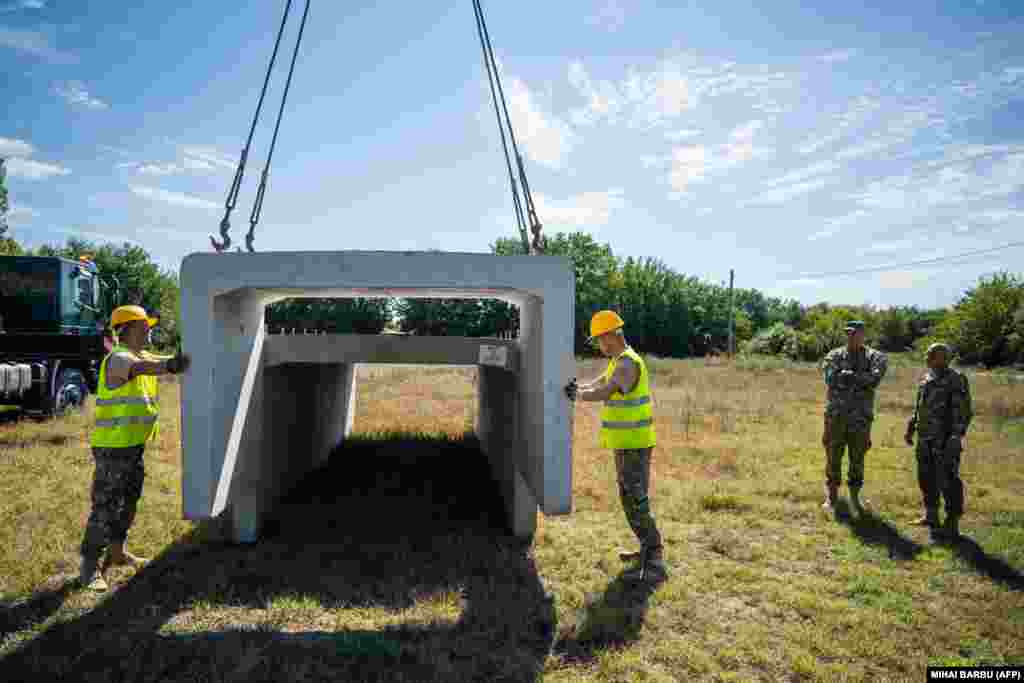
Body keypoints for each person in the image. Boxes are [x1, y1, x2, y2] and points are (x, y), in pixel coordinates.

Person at [77, 305, 190, 591]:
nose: (149, 329)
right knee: (105, 506)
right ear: (128, 328)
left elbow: (159, 360)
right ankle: (90, 568)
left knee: (128, 501)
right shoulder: (118, 359)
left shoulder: (140, 355)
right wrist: (170, 366)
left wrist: (183, 357)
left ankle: (117, 553)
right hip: (113, 448)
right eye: (145, 325)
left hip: (133, 446)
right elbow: (141, 367)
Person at [564, 310, 668, 583]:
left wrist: (578, 395)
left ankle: (655, 556)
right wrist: (579, 386)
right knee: (628, 499)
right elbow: (599, 382)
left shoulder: (627, 364)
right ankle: (646, 548)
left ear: (611, 336)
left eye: (599, 339)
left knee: (636, 499)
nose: (599, 345)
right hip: (625, 444)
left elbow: (606, 391)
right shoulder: (616, 361)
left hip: (635, 444)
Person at [904, 342, 973, 541]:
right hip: (925, 437)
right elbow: (920, 406)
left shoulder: (955, 379)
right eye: (928, 354)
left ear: (943, 358)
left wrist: (956, 436)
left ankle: (952, 524)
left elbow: (963, 411)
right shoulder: (926, 378)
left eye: (931, 354)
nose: (927, 357)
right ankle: (931, 515)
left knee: (948, 479)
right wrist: (911, 426)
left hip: (944, 439)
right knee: (926, 477)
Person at [820, 320, 888, 514]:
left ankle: (855, 498)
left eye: (855, 333)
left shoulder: (875, 356)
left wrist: (850, 377)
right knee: (833, 456)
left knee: (857, 458)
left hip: (860, 418)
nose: (851, 337)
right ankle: (831, 497)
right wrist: (859, 378)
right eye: (848, 333)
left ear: (863, 334)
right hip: (836, 416)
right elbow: (829, 378)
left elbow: (874, 379)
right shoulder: (834, 355)